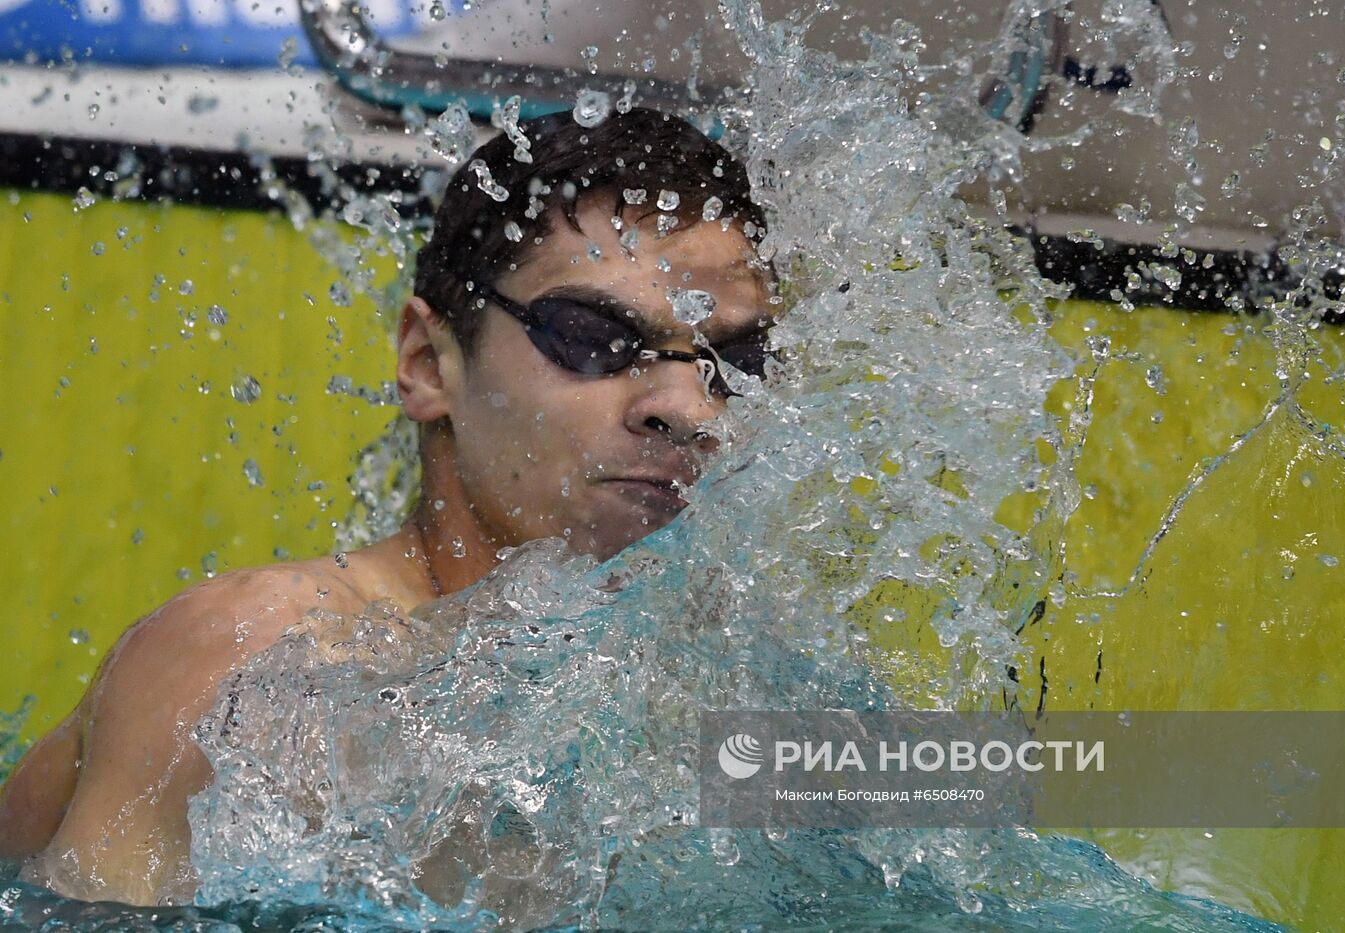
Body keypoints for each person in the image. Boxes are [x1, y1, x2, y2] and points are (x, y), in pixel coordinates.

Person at [0, 106, 777, 905]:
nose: (687, 406)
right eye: (597, 336)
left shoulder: (719, 682)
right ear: (426, 363)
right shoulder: (261, 669)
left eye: (737, 359)